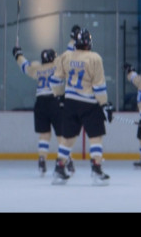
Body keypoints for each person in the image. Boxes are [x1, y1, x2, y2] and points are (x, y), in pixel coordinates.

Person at [48, 28, 114, 186]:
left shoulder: (66, 56)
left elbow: (55, 80)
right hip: (89, 104)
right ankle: (96, 169)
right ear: (89, 43)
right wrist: (104, 104)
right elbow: (98, 85)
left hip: (71, 103)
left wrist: (59, 96)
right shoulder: (94, 58)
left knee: (67, 138)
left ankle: (59, 167)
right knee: (96, 137)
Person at [12, 46, 61, 176]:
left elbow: (24, 66)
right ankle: (66, 160)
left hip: (40, 103)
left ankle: (42, 159)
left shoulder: (37, 68)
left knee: (44, 135)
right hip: (54, 101)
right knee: (62, 134)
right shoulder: (57, 66)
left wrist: (18, 55)